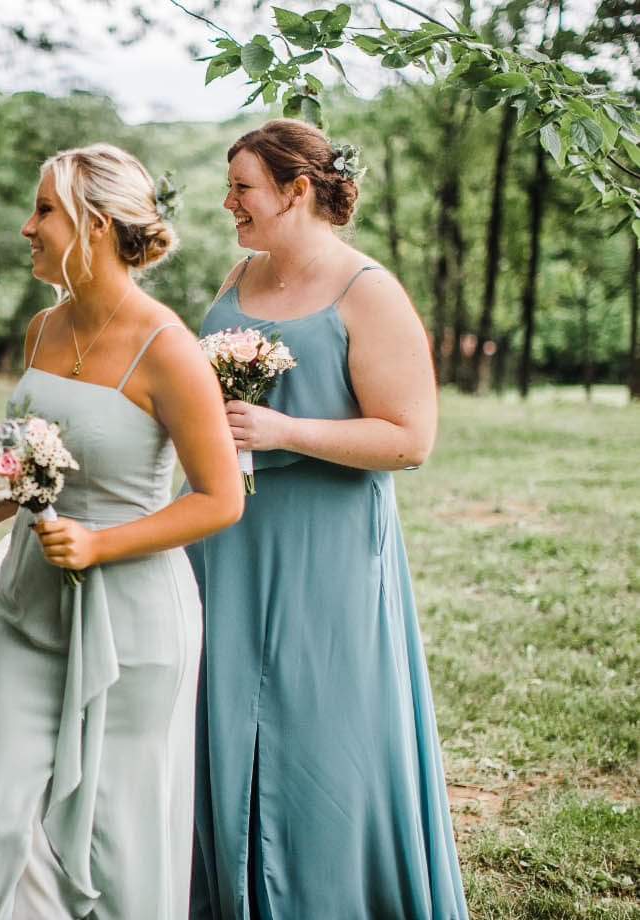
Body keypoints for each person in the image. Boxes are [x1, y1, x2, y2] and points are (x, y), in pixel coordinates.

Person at [0, 143, 244, 920]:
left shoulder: (168, 349)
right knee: (5, 807)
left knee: (117, 830)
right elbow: (21, 474)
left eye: (44, 209)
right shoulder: (43, 330)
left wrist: (101, 544)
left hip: (134, 625)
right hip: (27, 611)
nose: (28, 226)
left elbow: (220, 499)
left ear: (95, 221)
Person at [185, 119, 468, 919]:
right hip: (229, 536)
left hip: (326, 545)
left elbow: (410, 440)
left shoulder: (366, 290)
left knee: (320, 734)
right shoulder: (236, 279)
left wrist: (283, 432)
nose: (229, 202)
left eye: (243, 186)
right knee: (220, 709)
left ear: (296, 190)